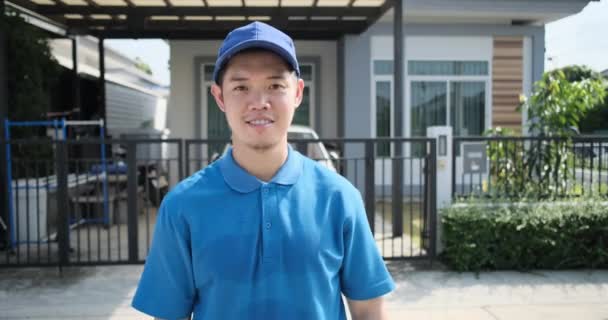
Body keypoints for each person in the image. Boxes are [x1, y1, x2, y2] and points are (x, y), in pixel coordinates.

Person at [132, 21, 395, 320]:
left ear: (297, 93)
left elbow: (369, 310)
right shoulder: (182, 206)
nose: (259, 103)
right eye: (241, 87)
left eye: (275, 85)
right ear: (219, 97)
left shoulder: (339, 198)